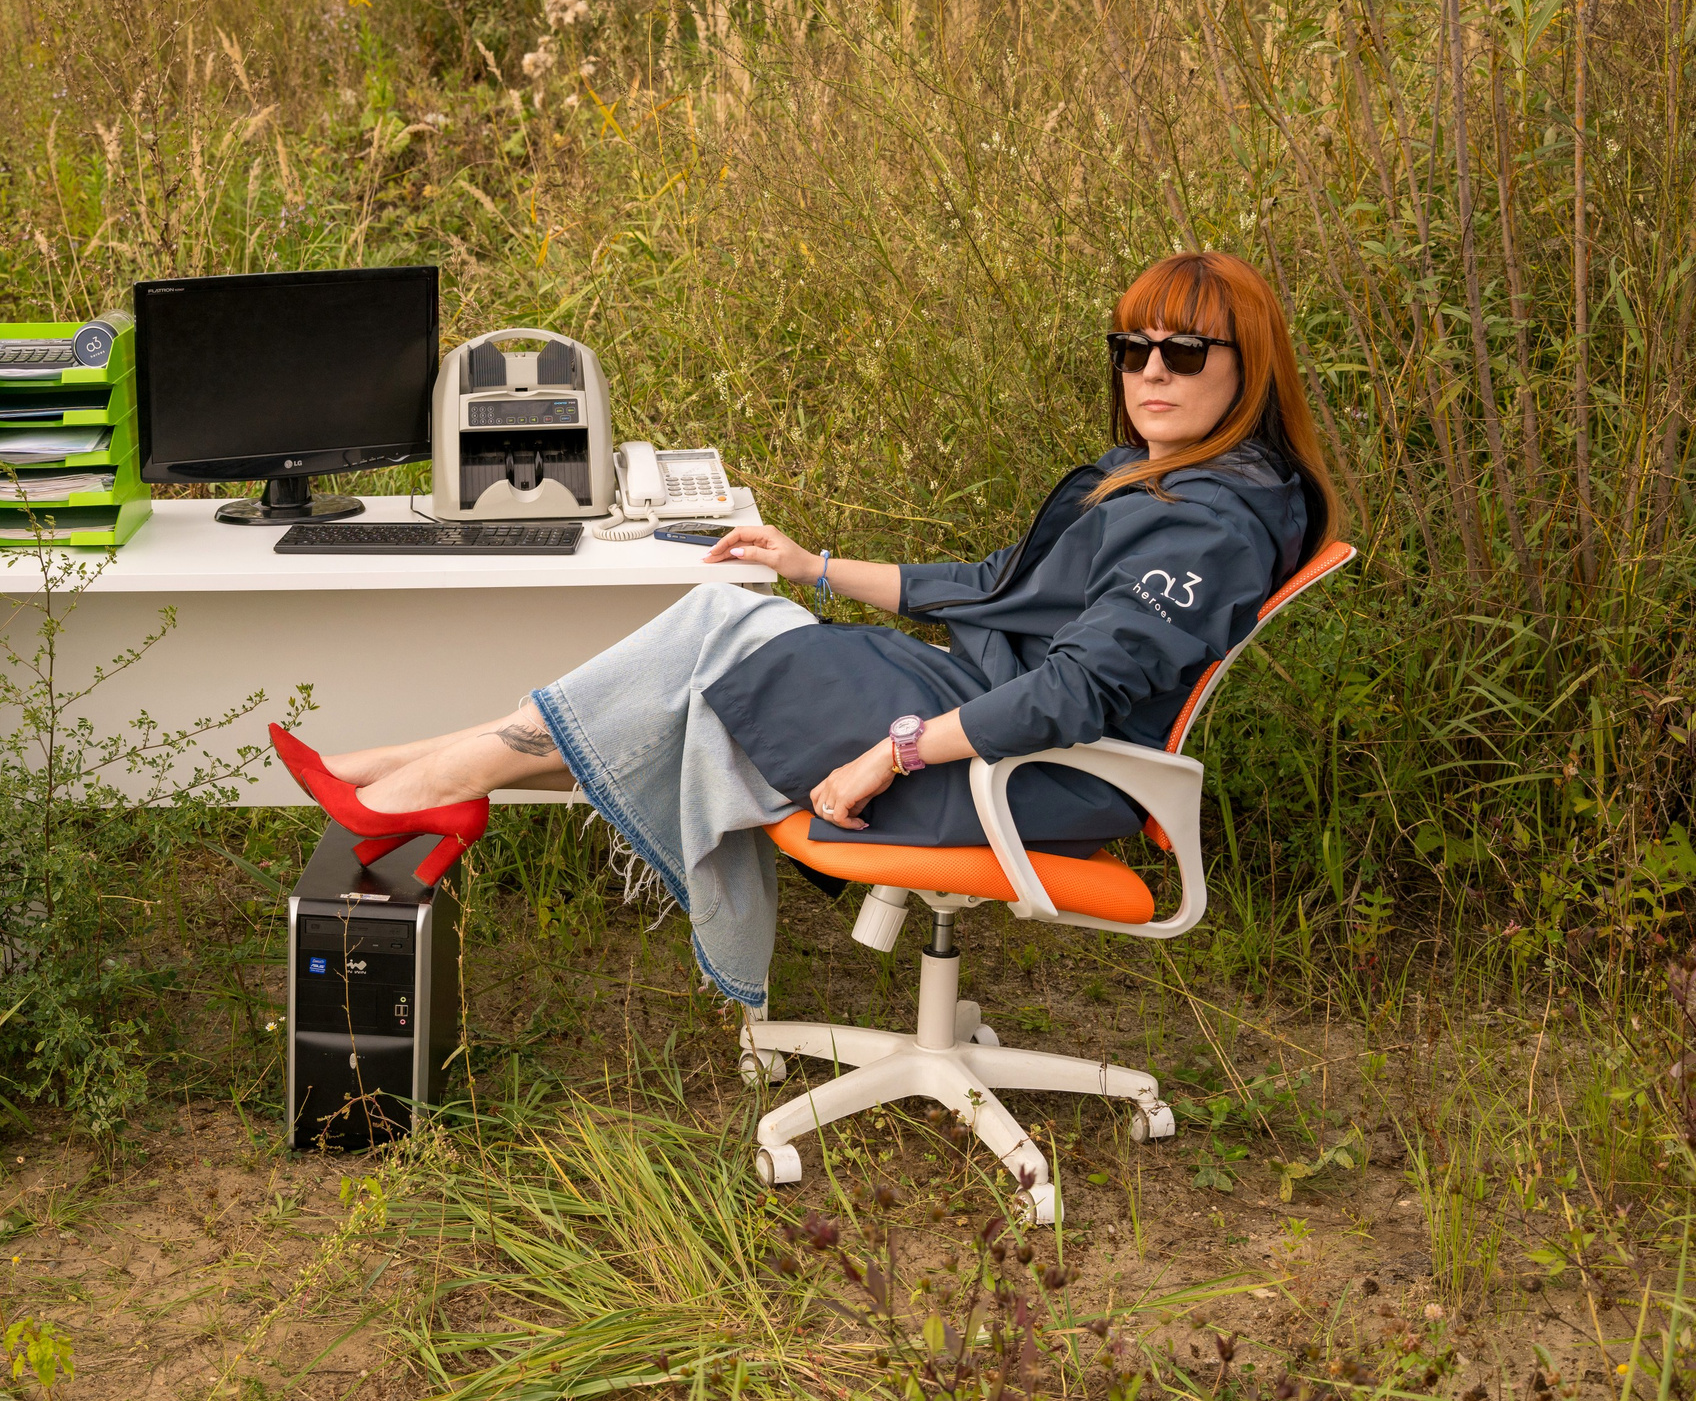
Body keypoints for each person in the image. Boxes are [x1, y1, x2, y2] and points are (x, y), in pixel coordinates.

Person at [269, 251, 1341, 1009]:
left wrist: (894, 751)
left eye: (1184, 353)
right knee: (731, 622)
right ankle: (431, 776)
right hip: (980, 714)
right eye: (1132, 348)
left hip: (1028, 766)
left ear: (1246, 367)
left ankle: (415, 785)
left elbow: (1072, 695)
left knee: (717, 641)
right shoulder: (1158, 480)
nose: (1150, 373)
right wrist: (811, 565)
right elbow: (994, 586)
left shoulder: (1207, 525)